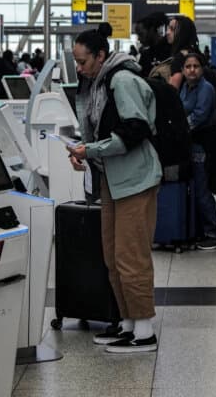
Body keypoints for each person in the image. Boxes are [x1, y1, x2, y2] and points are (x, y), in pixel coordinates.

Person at [66, 22, 162, 354]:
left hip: (136, 178)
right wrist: (86, 153)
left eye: (83, 61)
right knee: (112, 253)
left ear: (101, 55)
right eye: (76, 62)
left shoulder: (121, 80)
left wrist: (90, 151)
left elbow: (135, 129)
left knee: (131, 254)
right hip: (113, 178)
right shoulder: (96, 83)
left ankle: (145, 329)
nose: (79, 68)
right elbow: (98, 131)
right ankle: (127, 322)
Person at [178, 52, 216, 250]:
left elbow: (198, 116)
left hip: (204, 146)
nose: (191, 70)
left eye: (196, 66)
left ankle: (214, 232)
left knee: (202, 191)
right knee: (195, 189)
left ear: (202, 68)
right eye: (188, 66)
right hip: (191, 145)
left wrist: (179, 129)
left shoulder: (206, 88)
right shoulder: (185, 88)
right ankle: (201, 230)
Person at [156, 15, 201, 88]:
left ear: (182, 32)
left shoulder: (179, 59)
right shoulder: (196, 54)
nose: (167, 32)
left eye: (172, 29)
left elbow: (173, 91)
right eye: (167, 28)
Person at [136, 12, 171, 76]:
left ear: (151, 30)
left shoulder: (170, 49)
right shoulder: (145, 55)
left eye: (141, 34)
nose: (138, 38)